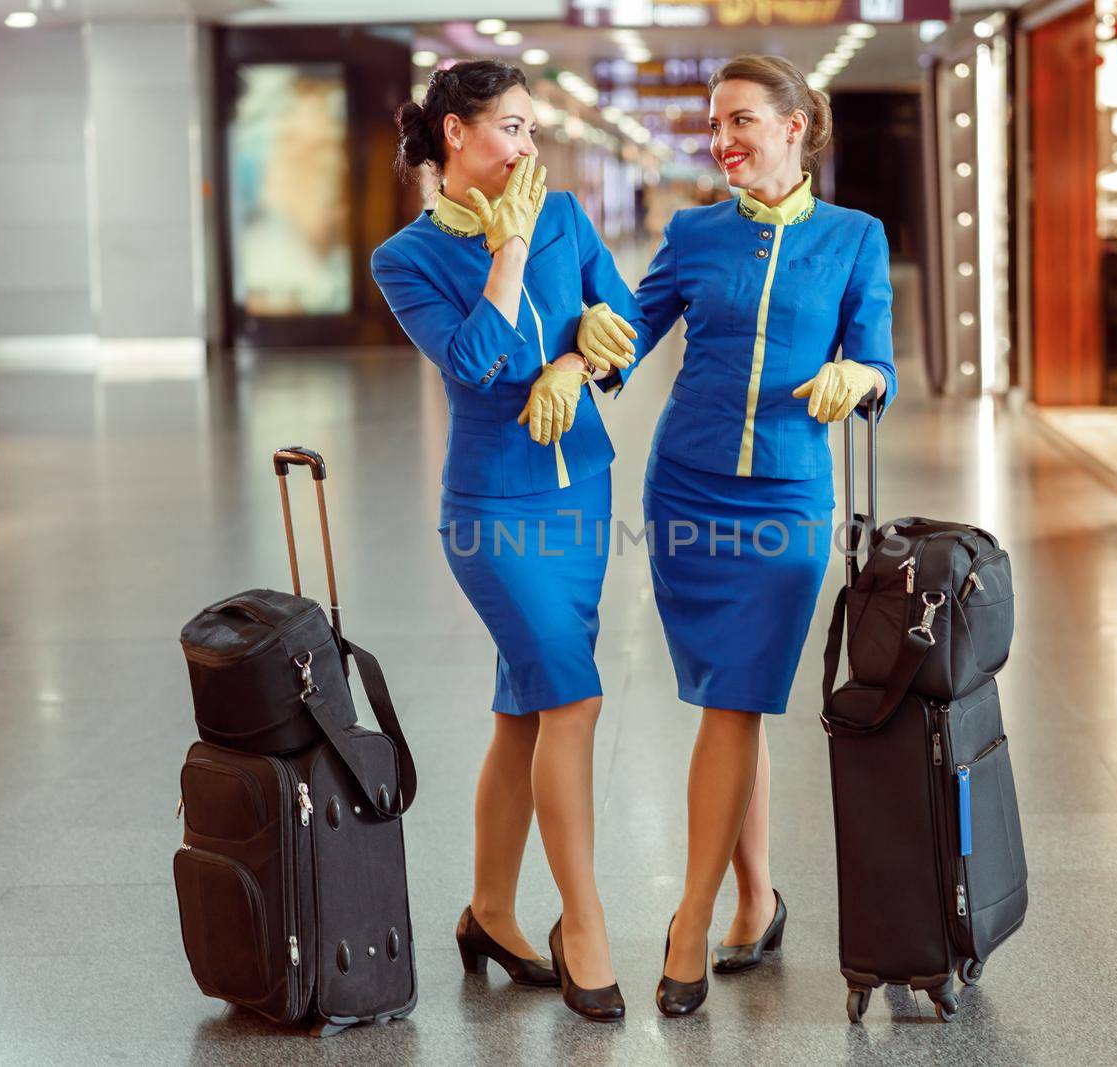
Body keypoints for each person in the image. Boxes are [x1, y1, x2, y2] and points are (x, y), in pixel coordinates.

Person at [591, 54, 896, 1017]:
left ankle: (690, 915)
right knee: (734, 704)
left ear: (796, 126)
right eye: (714, 124)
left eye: (740, 122)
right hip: (685, 489)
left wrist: (864, 378)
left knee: (736, 701)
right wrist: (582, 351)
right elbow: (632, 334)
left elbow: (877, 353)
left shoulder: (855, 238)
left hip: (786, 505)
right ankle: (757, 899)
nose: (721, 141)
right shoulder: (692, 233)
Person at [370, 59, 641, 1023]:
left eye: (532, 130)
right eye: (512, 128)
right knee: (572, 695)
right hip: (493, 509)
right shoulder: (406, 258)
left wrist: (580, 356)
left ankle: (488, 910)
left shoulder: (567, 213)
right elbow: (474, 361)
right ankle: (586, 923)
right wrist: (511, 247)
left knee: (524, 709)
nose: (529, 147)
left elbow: (629, 320)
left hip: (583, 494)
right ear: (455, 135)